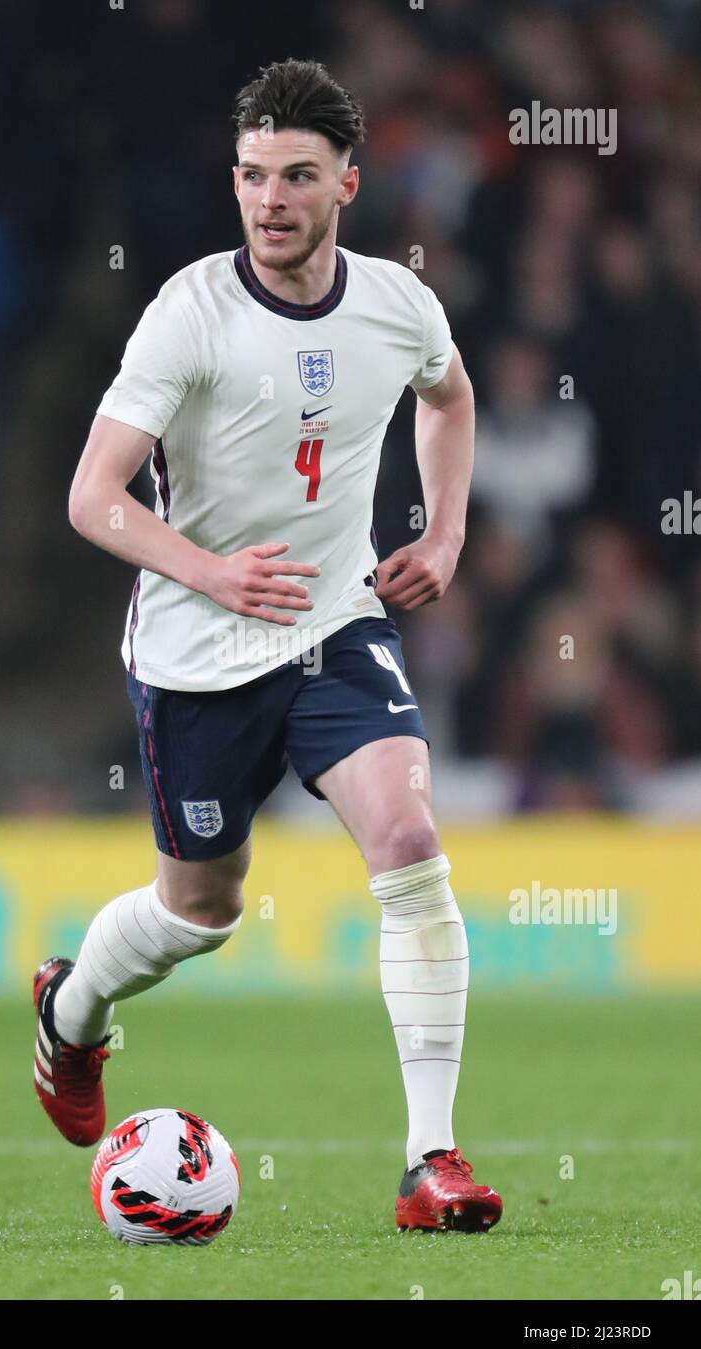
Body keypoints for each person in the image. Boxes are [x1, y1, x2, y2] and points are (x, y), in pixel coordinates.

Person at [32, 58, 501, 1234]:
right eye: (250, 175)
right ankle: (70, 1009)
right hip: (196, 649)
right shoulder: (189, 312)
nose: (269, 199)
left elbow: (449, 401)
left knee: (407, 840)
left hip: (335, 622)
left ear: (348, 181)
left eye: (297, 175)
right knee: (201, 910)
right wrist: (208, 570)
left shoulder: (398, 305)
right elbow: (92, 496)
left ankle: (428, 1161)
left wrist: (441, 529)